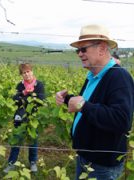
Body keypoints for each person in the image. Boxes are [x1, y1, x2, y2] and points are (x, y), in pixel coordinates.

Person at [55, 24, 134, 180]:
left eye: (83, 49)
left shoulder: (119, 77)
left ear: (102, 49)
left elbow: (121, 120)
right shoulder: (93, 76)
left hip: (102, 166)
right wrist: (66, 98)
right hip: (86, 157)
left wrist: (83, 105)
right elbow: (89, 104)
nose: (79, 54)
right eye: (77, 50)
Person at [3, 63, 45, 173]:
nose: (26, 74)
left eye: (28, 71)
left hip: (33, 117)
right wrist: (25, 93)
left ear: (32, 71)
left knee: (33, 140)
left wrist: (25, 98)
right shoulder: (20, 85)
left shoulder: (39, 85)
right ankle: (11, 163)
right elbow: (15, 99)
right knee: (17, 139)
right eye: (24, 73)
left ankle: (32, 163)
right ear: (21, 75)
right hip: (20, 116)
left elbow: (41, 100)